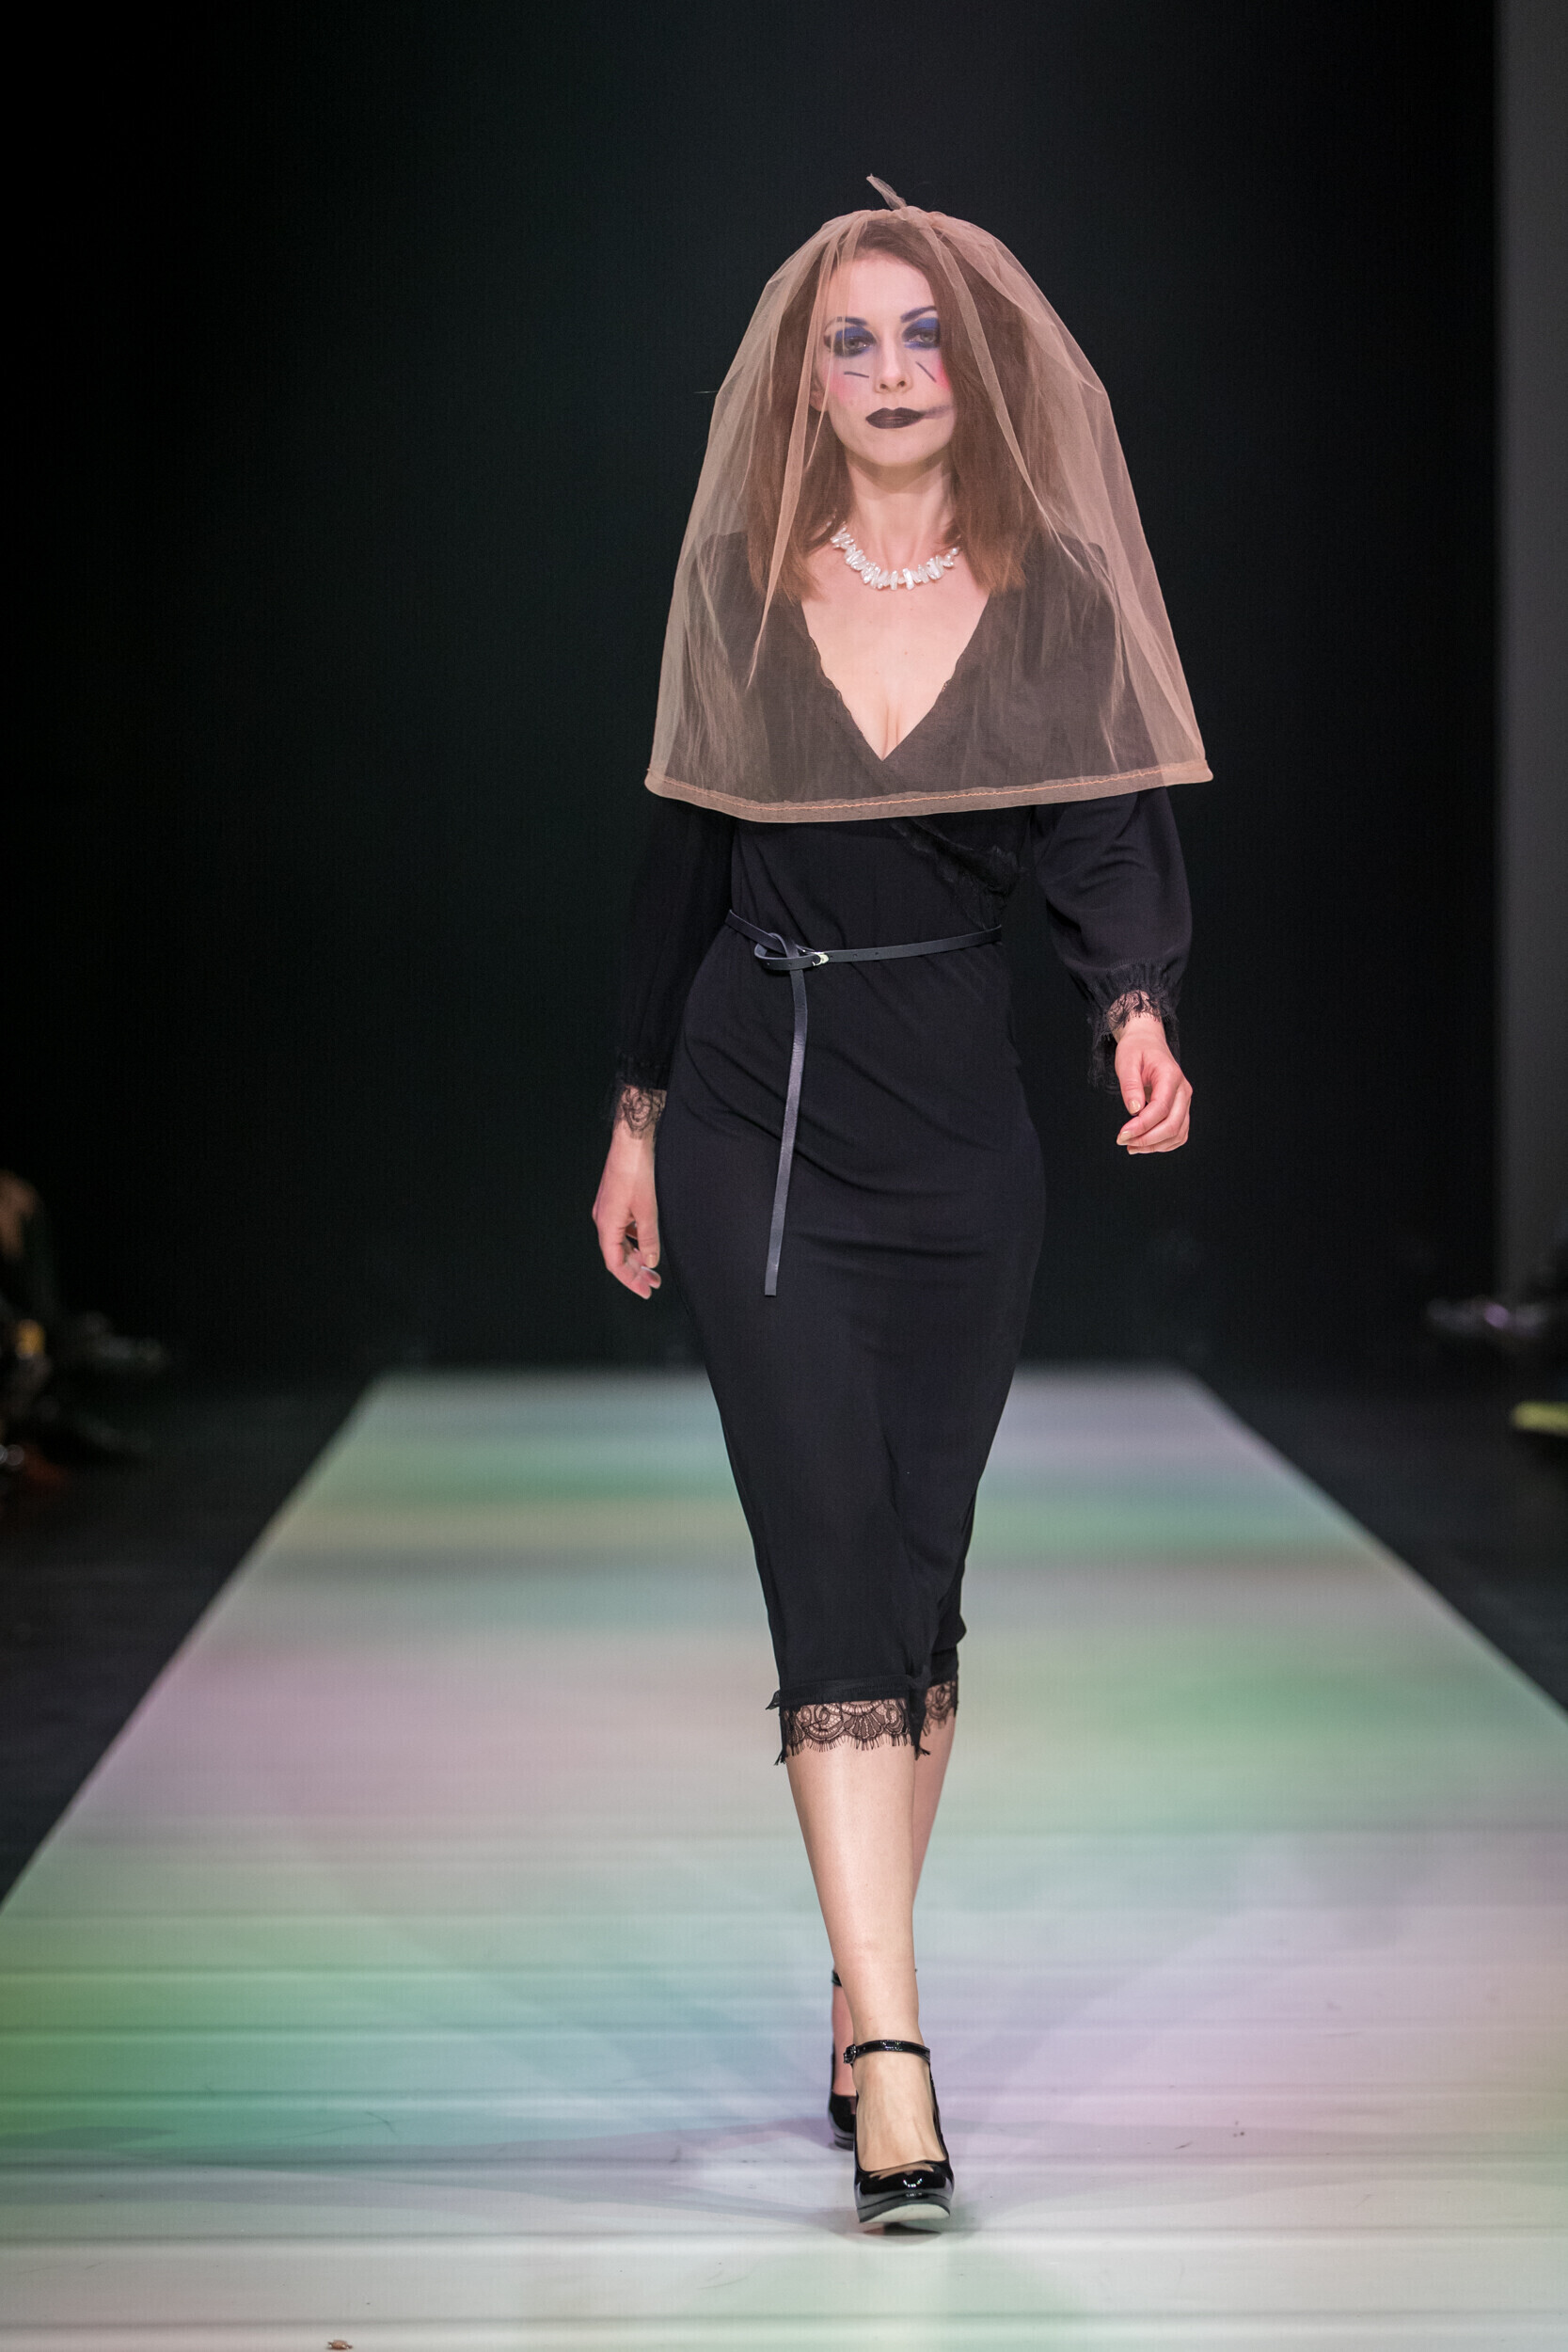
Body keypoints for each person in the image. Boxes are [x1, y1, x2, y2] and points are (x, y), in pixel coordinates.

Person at [594, 183, 1205, 2231]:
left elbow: (1106, 828)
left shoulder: (1052, 598)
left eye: (921, 335)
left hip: (958, 1131)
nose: (887, 372)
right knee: (830, 1566)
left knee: (920, 1584)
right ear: (806, 383)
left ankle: (861, 1985)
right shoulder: (743, 589)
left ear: (977, 365)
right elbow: (680, 866)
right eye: (849, 341)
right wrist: (634, 1113)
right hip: (755, 1115)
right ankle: (897, 2059)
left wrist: (1134, 1006)